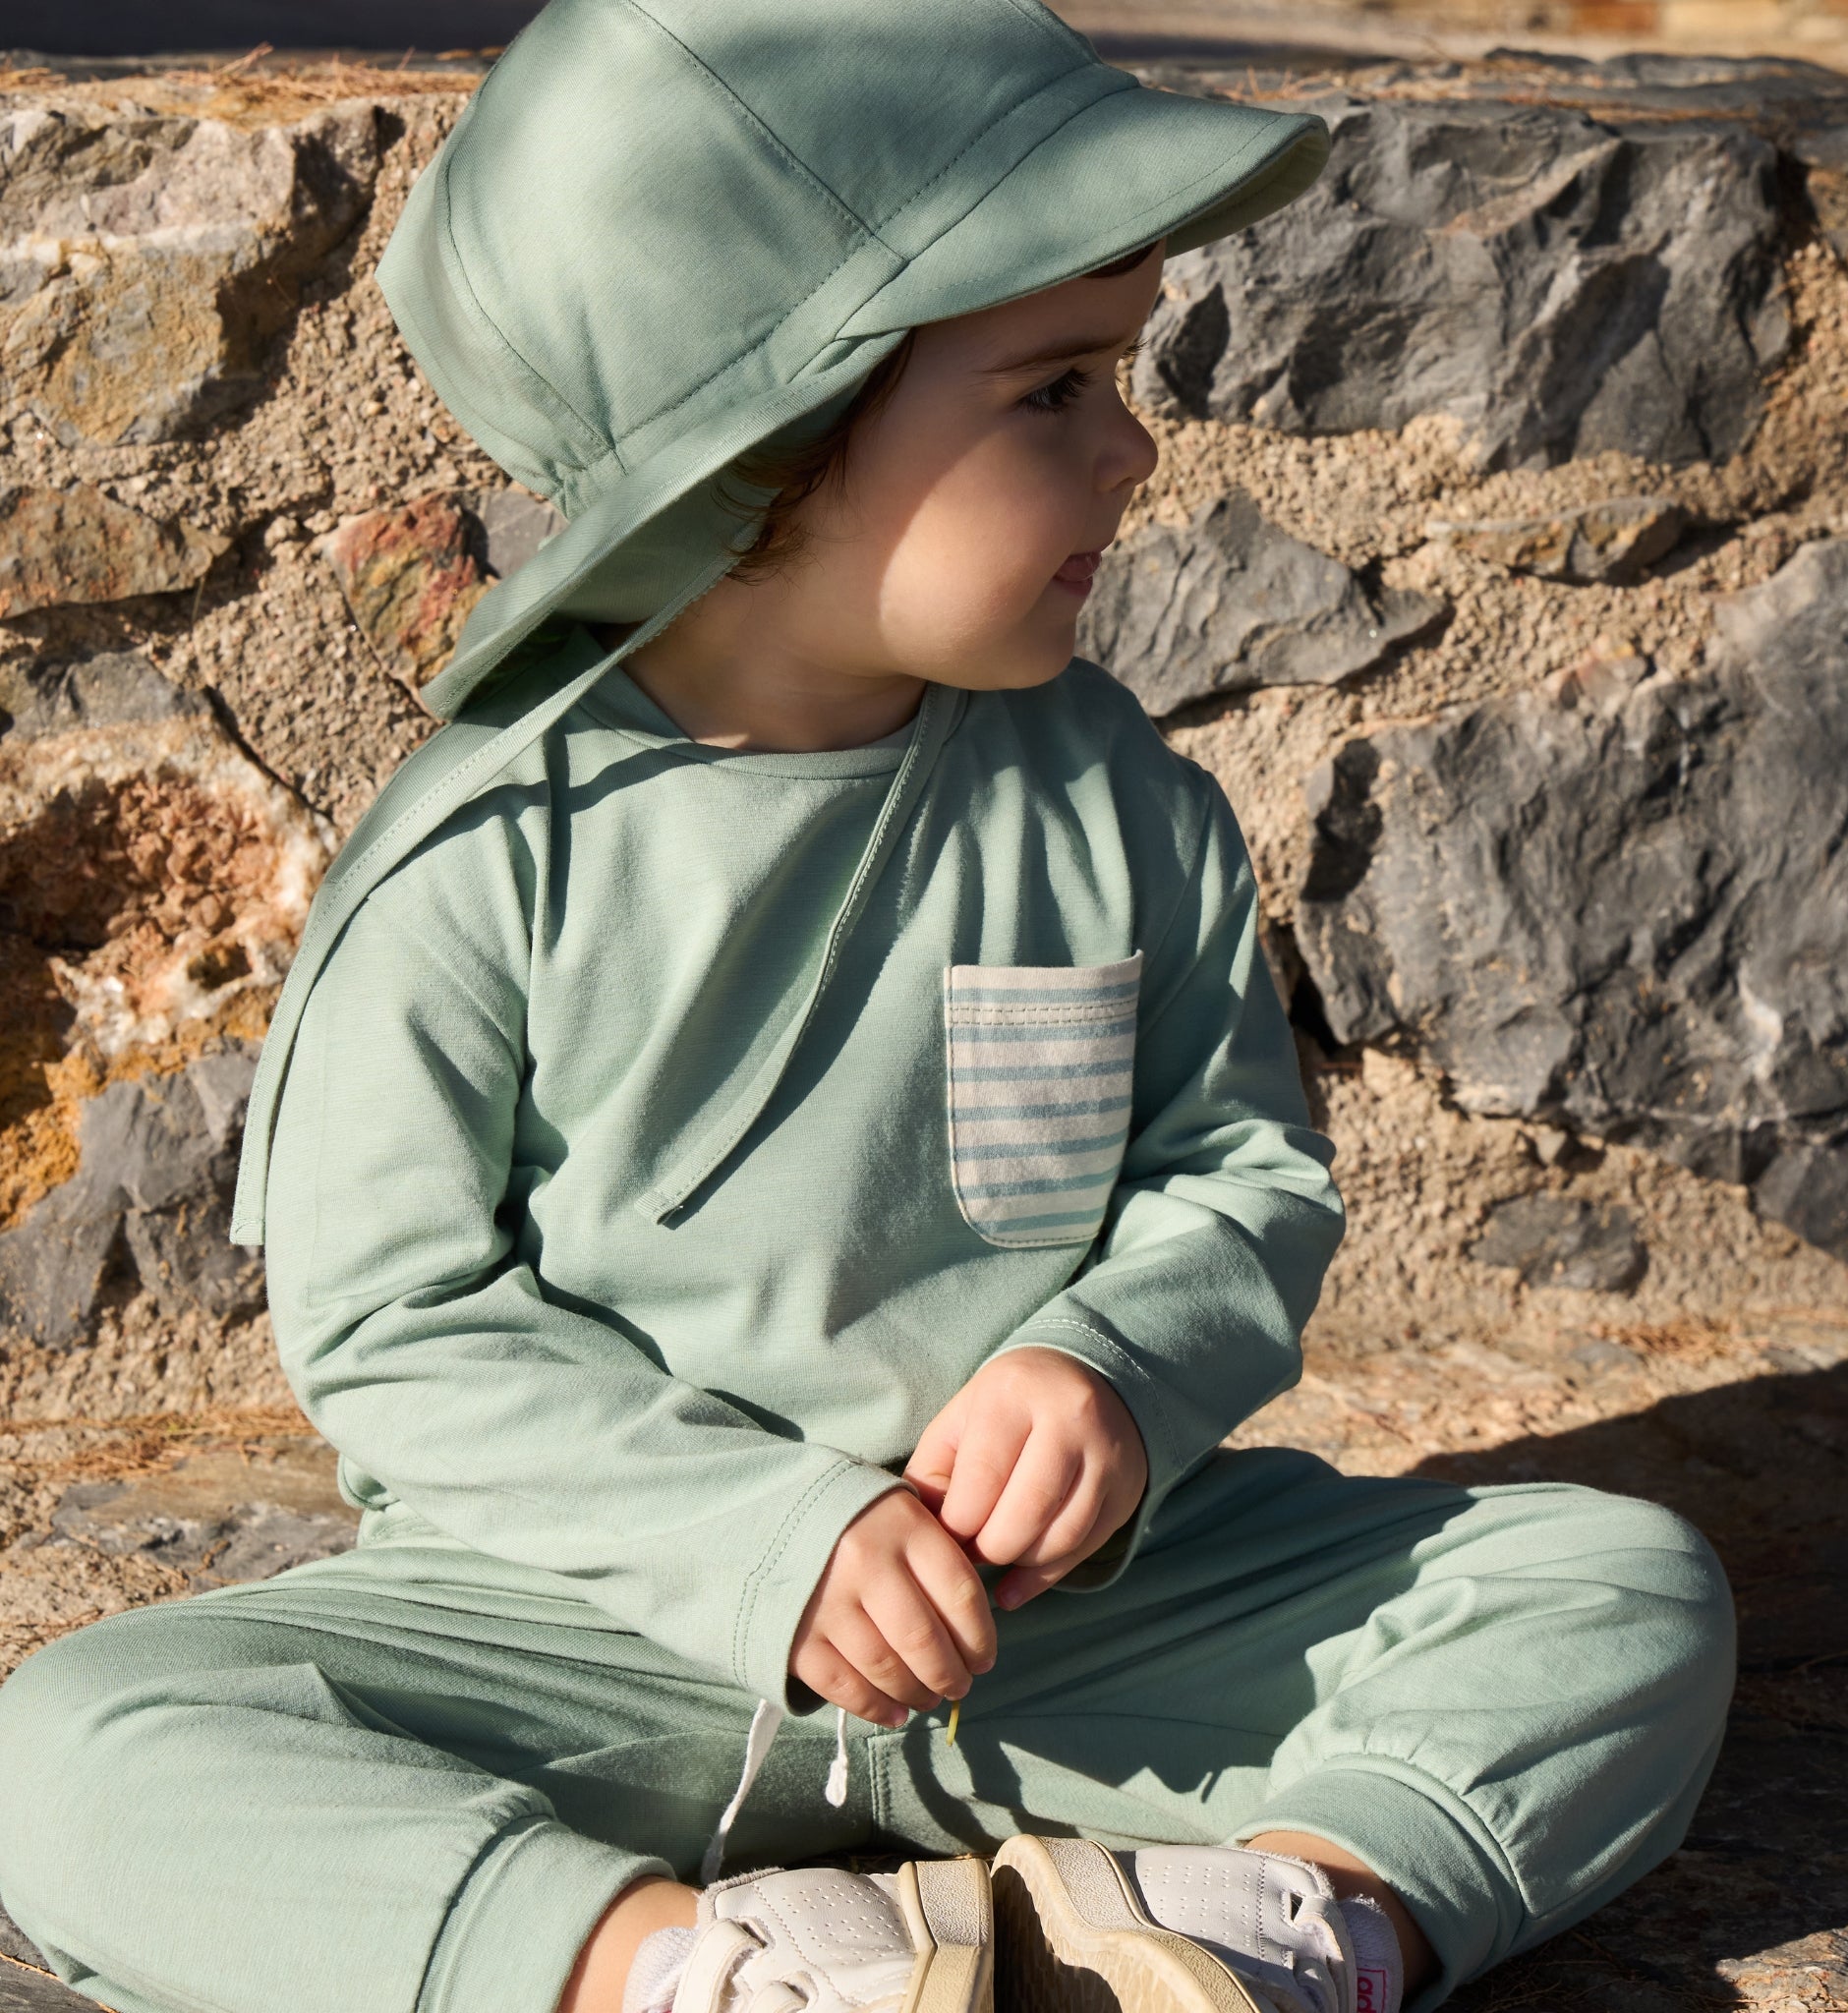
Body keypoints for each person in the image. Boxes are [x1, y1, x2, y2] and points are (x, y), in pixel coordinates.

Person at [0, 4, 1736, 2011]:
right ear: (773, 440)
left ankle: (1247, 1928)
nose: (1133, 444)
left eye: (1120, 374)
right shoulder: (494, 849)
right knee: (76, 1748)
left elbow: (1233, 1173)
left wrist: (1108, 1368)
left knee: (1614, 1585)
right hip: (608, 1624)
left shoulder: (1112, 802)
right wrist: (768, 1536)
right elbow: (394, 1325)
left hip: (1067, 1629)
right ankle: (699, 1971)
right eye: (1050, 389)